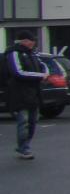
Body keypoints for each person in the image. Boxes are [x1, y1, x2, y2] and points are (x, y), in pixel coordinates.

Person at [4, 29, 48, 160]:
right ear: (24, 41)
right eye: (31, 41)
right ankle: (24, 148)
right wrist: (40, 76)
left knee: (33, 121)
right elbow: (18, 72)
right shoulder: (14, 53)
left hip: (33, 93)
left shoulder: (32, 54)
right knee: (23, 121)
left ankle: (25, 145)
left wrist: (45, 72)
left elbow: (42, 65)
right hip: (19, 93)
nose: (33, 43)